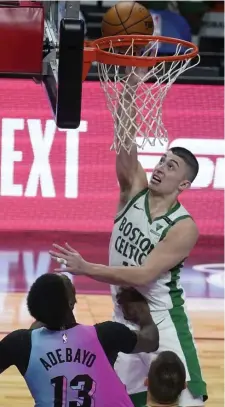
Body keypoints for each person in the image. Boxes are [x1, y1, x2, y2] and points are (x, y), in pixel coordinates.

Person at [49, 74, 207, 407]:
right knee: (116, 399)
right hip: (126, 321)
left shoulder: (183, 227)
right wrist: (131, 87)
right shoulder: (133, 191)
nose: (161, 167)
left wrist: (86, 267)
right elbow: (125, 140)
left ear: (184, 184)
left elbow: (142, 275)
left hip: (164, 326)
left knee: (187, 403)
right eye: (162, 160)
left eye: (172, 166)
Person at [0, 273, 159, 407]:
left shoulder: (20, 344)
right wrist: (142, 312)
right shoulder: (107, 334)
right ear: (71, 302)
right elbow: (151, 341)